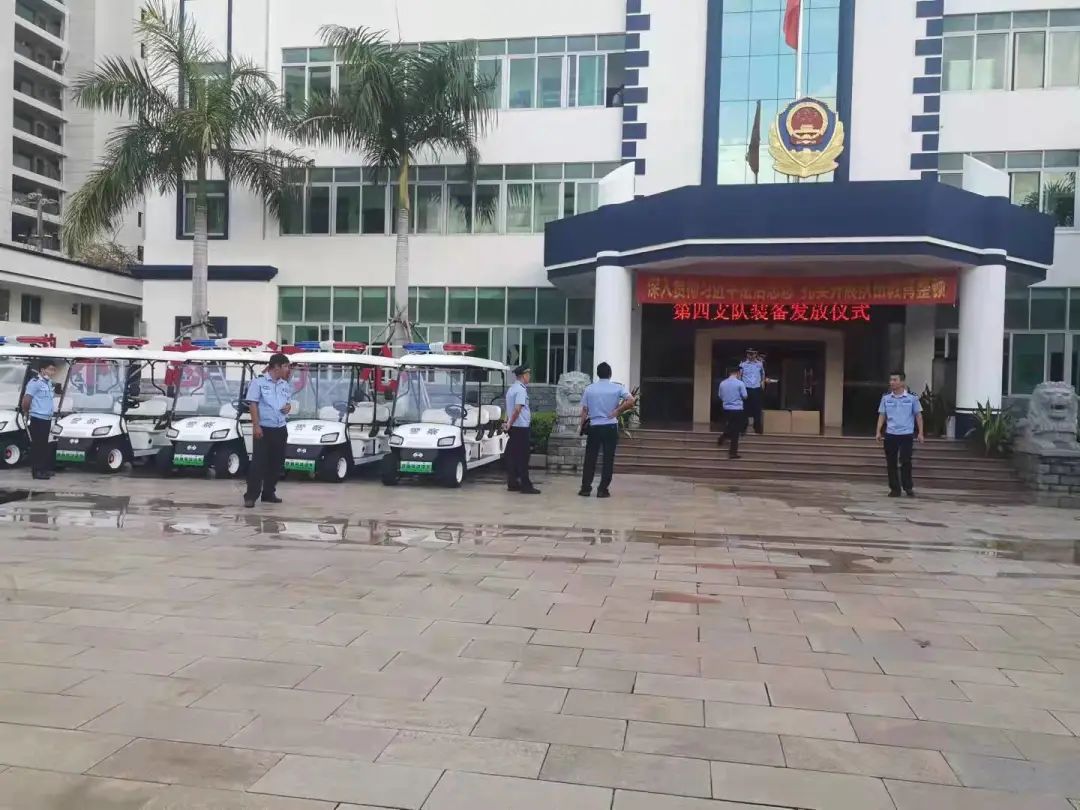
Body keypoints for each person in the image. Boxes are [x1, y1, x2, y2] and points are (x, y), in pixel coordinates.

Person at [578, 362, 636, 498]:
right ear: (610, 374)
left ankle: (586, 488)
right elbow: (631, 400)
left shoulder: (589, 389)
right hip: (610, 426)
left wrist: (581, 426)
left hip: (594, 426)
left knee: (590, 458)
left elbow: (585, 410)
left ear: (597, 374)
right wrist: (618, 411)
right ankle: (602, 489)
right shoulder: (617, 388)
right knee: (608, 458)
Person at [243, 353, 292, 508]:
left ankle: (269, 493)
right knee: (258, 463)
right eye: (285, 366)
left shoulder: (284, 385)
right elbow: (253, 404)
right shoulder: (258, 383)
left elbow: (288, 402)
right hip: (263, 428)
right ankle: (251, 496)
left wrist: (288, 407)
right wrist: (256, 425)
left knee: (276, 463)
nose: (287, 369)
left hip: (280, 427)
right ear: (276, 367)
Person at [876, 371, 925, 497]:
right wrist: (878, 431)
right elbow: (882, 415)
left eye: (895, 380)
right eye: (890, 380)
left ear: (902, 382)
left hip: (906, 434)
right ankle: (894, 489)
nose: (891, 382)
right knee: (891, 462)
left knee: (906, 461)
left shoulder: (912, 398)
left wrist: (920, 433)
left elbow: (918, 416)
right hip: (891, 434)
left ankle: (908, 487)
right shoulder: (886, 398)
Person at [504, 365, 539, 494]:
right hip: (521, 428)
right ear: (523, 376)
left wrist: (507, 423)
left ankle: (512, 483)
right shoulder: (521, 390)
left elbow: (509, 408)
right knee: (523, 457)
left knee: (513, 456)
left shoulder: (511, 389)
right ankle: (526, 485)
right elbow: (517, 409)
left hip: (514, 428)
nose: (529, 377)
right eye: (528, 375)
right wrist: (510, 423)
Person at [22, 359, 59, 480]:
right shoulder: (35, 382)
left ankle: (43, 469)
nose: (52, 372)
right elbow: (27, 399)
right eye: (50, 369)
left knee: (44, 445)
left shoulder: (48, 383)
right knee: (37, 445)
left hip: (46, 418)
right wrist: (26, 413)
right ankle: (37, 471)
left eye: (54, 370)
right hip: (37, 418)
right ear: (42, 370)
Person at [716, 366, 748, 458]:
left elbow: (720, 396)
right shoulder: (740, 383)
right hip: (737, 409)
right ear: (737, 373)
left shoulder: (722, 383)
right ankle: (733, 453)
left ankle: (722, 438)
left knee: (730, 425)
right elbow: (745, 396)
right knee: (735, 431)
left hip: (726, 409)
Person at [740, 348, 765, 435]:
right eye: (749, 353)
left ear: (756, 354)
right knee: (744, 409)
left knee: (757, 409)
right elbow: (740, 376)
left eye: (753, 353)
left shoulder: (759, 364)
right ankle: (743, 428)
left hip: (756, 388)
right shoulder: (742, 364)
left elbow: (762, 375)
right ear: (747, 354)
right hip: (746, 388)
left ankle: (757, 428)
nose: (751, 355)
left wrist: (762, 384)